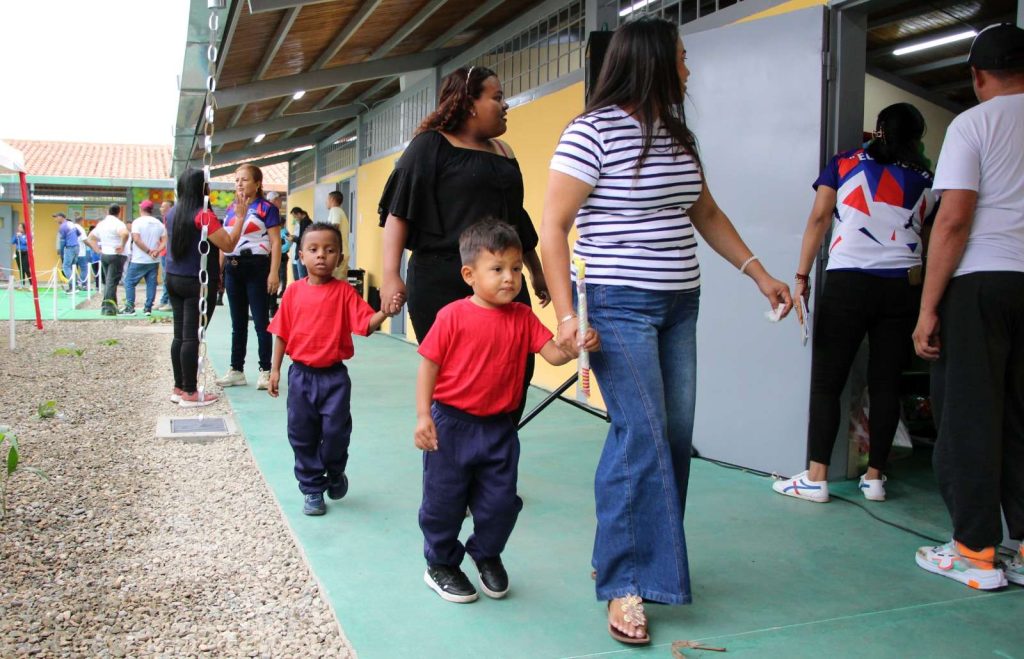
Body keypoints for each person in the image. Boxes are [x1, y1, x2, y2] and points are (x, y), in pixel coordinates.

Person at [540, 17, 793, 644]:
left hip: (681, 304)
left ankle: (632, 556)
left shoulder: (679, 136)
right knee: (643, 433)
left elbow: (704, 211)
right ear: (652, 61)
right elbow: (552, 227)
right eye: (681, 57)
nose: (688, 68)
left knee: (672, 437)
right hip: (617, 304)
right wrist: (568, 317)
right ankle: (625, 582)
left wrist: (759, 274)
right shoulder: (590, 132)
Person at [414, 221, 598, 603]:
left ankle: (486, 552)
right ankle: (441, 564)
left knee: (501, 503)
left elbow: (553, 354)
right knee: (443, 501)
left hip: (500, 428)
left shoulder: (522, 317)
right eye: (497, 269)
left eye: (516, 268)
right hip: (451, 425)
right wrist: (423, 416)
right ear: (469, 274)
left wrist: (577, 343)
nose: (509, 278)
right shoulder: (452, 316)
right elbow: (428, 365)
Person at [771, 103, 935, 504]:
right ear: (917, 137)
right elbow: (930, 239)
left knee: (828, 382)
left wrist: (801, 276)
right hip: (902, 287)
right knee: (885, 384)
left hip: (848, 282)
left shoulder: (844, 162)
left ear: (878, 131)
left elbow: (818, 219)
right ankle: (875, 478)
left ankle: (817, 477)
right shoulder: (929, 178)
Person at [912, 24, 1024, 591]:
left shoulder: (973, 124)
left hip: (982, 283)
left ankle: (975, 551)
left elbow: (953, 220)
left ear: (978, 76)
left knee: (970, 416)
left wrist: (929, 308)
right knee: (1022, 417)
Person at [378, 65, 550, 422]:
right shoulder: (430, 146)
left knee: (515, 370)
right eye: (497, 97)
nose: (505, 106)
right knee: (456, 380)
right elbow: (398, 213)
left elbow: (516, 218)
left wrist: (535, 270)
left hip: (503, 280)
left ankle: (497, 451)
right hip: (442, 282)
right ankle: (453, 461)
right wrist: (391, 274)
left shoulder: (503, 151)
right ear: (470, 103)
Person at [267, 222, 396, 516]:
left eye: (329, 250)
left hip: (334, 378)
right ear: (301, 256)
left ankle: (335, 471)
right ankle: (312, 488)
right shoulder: (294, 293)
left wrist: (385, 312)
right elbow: (281, 332)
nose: (321, 255)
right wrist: (275, 369)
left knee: (336, 432)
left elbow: (364, 325)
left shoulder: (345, 293)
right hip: (300, 376)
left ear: (339, 256)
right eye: (313, 250)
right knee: (301, 434)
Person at [165, 168, 245, 407]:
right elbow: (228, 244)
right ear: (203, 189)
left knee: (180, 335)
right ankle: (190, 392)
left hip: (173, 278)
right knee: (192, 337)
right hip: (196, 282)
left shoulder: (171, 213)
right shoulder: (203, 216)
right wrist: (240, 217)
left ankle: (179, 387)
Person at [215, 164, 282, 391]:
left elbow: (275, 241)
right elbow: (224, 242)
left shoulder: (266, 208)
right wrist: (219, 271)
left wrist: (273, 272)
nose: (240, 184)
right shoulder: (232, 208)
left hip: (257, 266)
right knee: (238, 322)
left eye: (244, 179)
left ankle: (265, 370)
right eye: (237, 180)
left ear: (257, 183)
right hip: (233, 268)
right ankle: (236, 370)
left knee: (262, 322)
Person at [121, 200, 167, 315]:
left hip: (139, 259)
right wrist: (157, 251)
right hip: (154, 260)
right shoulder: (159, 223)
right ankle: (148, 308)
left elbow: (136, 239)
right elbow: (165, 240)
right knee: (151, 283)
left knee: (129, 282)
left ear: (141, 209)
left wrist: (148, 251)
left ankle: (130, 307)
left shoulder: (137, 222)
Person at [86, 205, 129, 315]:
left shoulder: (102, 224)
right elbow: (125, 233)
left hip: (105, 254)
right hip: (116, 255)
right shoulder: (118, 223)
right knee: (111, 282)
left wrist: (97, 250)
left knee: (109, 282)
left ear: (107, 212)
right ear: (119, 213)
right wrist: (122, 245)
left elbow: (90, 238)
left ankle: (111, 307)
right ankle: (107, 308)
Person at [326, 190, 350, 280]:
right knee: (341, 281)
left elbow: (335, 226)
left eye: (327, 199)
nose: (326, 202)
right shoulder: (340, 211)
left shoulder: (335, 210)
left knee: (336, 282)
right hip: (343, 251)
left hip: (339, 253)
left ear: (332, 199)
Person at [54, 212, 80, 292]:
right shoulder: (72, 224)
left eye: (56, 217)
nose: (55, 219)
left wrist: (61, 253)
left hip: (70, 247)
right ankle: (75, 285)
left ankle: (73, 286)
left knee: (65, 267)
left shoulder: (62, 227)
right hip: (76, 247)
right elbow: (79, 233)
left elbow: (62, 242)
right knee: (72, 267)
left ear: (62, 217)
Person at [156, 199, 174, 312]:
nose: (161, 209)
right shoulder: (164, 220)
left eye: (164, 206)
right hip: (163, 253)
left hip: (168, 253)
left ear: (171, 208)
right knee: (164, 278)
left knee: (168, 278)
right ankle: (164, 300)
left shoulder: (171, 219)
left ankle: (169, 302)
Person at [289, 207, 312, 281]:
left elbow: (303, 239)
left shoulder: (305, 222)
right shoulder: (307, 222)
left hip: (302, 252)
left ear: (299, 214)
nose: (295, 219)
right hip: (304, 252)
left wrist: (293, 239)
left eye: (295, 217)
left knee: (302, 278)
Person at [10, 222, 29, 287]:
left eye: (21, 227)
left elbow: (25, 242)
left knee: (26, 269)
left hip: (25, 253)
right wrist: (16, 236)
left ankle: (31, 285)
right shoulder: (17, 235)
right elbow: (12, 242)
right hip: (18, 253)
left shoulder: (28, 235)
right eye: (19, 227)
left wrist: (20, 237)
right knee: (21, 269)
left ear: (24, 228)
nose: (19, 228)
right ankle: (22, 285)